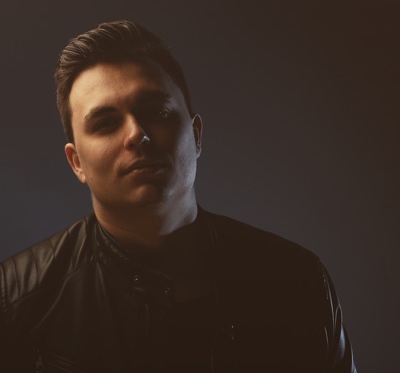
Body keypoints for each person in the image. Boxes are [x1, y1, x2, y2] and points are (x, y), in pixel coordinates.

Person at [0, 20, 357, 373]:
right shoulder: (13, 302)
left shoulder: (297, 280)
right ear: (77, 162)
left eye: (157, 112)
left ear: (196, 135)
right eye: (105, 123)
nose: (136, 134)